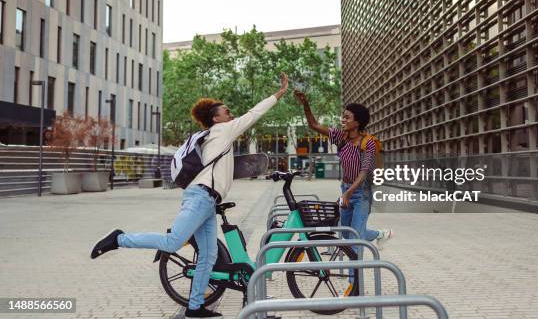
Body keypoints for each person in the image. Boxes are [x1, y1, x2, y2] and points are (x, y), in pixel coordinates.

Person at [90, 73, 289, 318]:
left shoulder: (213, 138)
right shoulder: (222, 131)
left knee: (208, 255)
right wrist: (279, 94)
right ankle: (119, 239)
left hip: (207, 201)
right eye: (226, 111)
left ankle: (194, 307)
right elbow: (253, 114)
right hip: (200, 198)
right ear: (216, 118)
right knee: (173, 242)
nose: (231, 114)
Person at [294, 90, 392, 293]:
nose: (342, 120)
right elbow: (313, 125)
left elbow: (364, 172)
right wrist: (305, 103)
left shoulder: (369, 143)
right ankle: (381, 234)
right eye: (343, 116)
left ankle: (353, 286)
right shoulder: (341, 137)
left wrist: (348, 194)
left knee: (354, 242)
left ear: (358, 122)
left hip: (361, 194)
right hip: (346, 189)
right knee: (346, 236)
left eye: (347, 117)